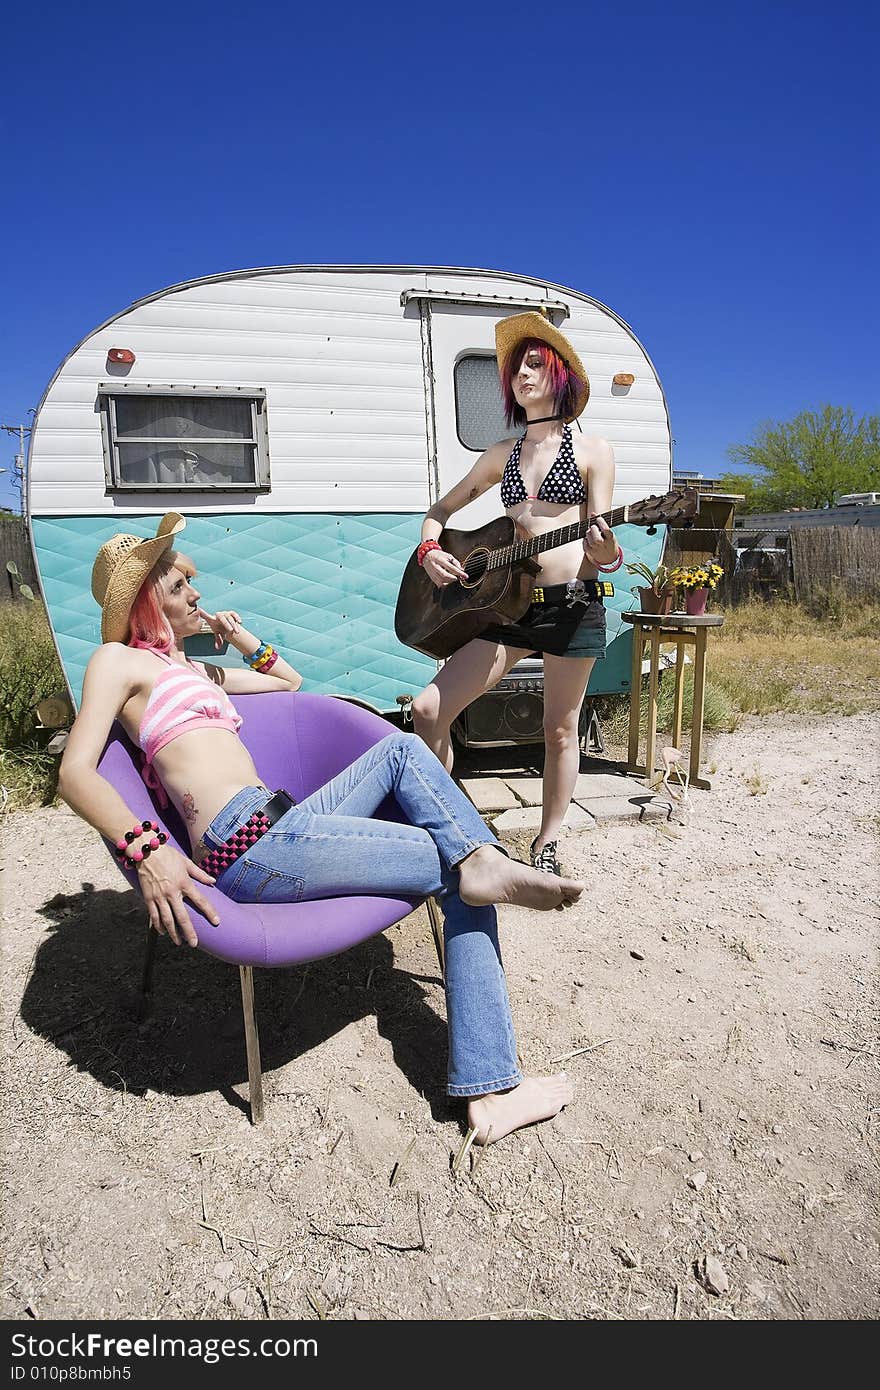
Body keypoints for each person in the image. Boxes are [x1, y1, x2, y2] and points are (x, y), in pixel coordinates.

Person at [58, 513, 584, 1147]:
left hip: (286, 824)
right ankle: (491, 1084)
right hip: (247, 846)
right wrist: (149, 853)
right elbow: (75, 774)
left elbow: (289, 685)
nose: (196, 592)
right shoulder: (118, 661)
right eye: (178, 586)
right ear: (146, 604)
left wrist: (243, 637)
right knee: (456, 870)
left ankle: (478, 859)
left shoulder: (198, 674)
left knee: (404, 753)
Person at [411, 312, 620, 877]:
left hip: (571, 604)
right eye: (517, 367)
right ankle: (454, 828)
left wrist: (605, 552)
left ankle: (549, 840)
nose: (522, 373)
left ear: (560, 376)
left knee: (558, 729)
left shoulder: (593, 450)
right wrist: (431, 553)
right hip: (506, 605)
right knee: (429, 709)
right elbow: (439, 513)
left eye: (535, 363)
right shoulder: (501, 453)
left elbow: (603, 543)